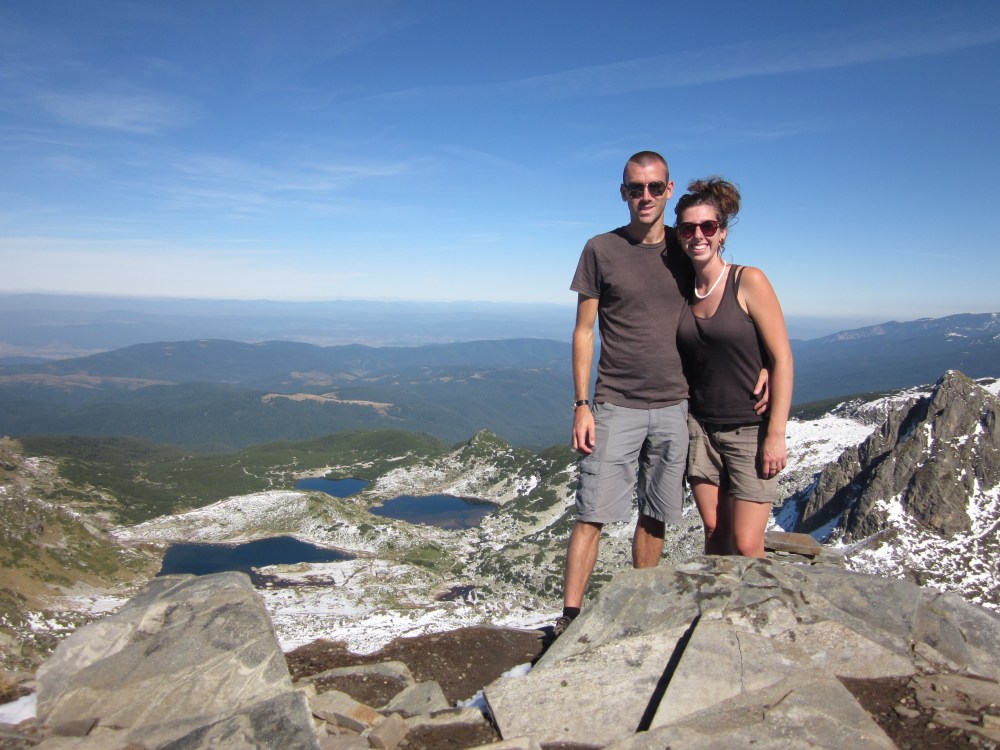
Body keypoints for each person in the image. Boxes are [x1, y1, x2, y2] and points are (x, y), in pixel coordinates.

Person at [557, 151, 756, 636]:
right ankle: (569, 619)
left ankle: (642, 612)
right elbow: (585, 331)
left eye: (653, 188)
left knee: (656, 513)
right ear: (622, 192)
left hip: (675, 405)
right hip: (615, 402)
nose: (643, 197)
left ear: (668, 191)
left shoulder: (687, 246)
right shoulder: (600, 249)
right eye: (634, 188)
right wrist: (582, 404)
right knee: (592, 512)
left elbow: (726, 302)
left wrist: (765, 363)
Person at [674, 178, 793, 558]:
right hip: (700, 429)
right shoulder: (683, 289)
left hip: (749, 430)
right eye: (688, 228)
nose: (698, 236)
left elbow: (783, 357)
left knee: (746, 543)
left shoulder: (748, 280)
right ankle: (717, 616)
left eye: (707, 227)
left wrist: (776, 434)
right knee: (714, 532)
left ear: (722, 232)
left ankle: (760, 616)